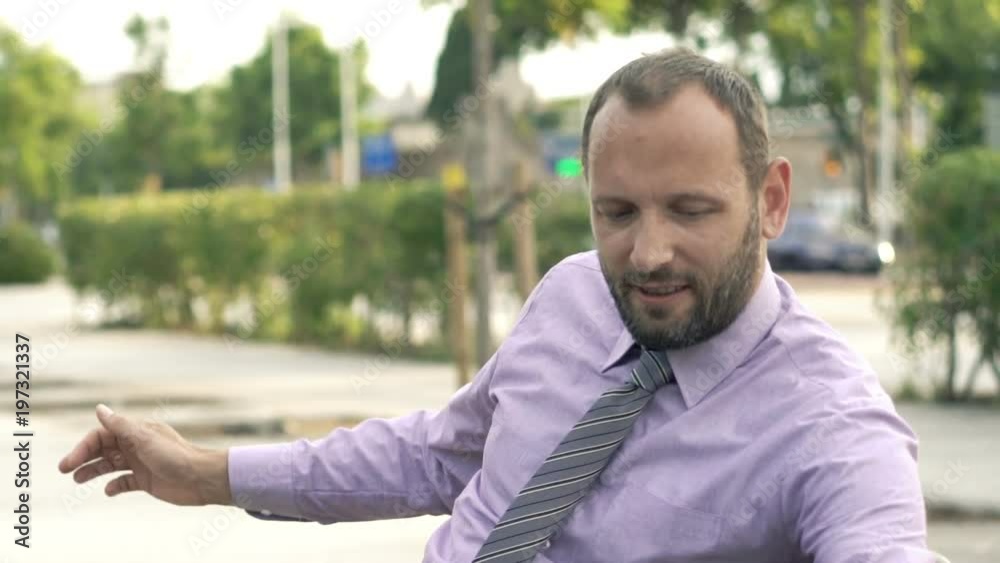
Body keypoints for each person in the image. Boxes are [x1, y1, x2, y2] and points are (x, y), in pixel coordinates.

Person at [58, 48, 937, 562]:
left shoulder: (830, 425)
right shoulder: (573, 294)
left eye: (690, 210)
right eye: (616, 212)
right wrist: (205, 472)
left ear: (772, 201)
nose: (648, 252)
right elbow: (439, 453)